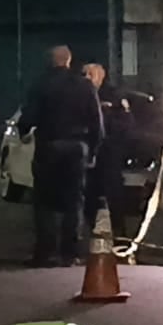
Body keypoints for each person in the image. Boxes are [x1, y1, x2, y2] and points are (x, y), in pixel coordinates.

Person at [18, 46, 103, 267]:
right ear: (69, 60)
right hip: (77, 148)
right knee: (74, 201)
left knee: (44, 201)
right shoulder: (85, 86)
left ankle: (45, 252)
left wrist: (24, 132)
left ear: (50, 61)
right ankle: (70, 253)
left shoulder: (41, 85)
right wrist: (92, 151)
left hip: (49, 146)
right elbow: (97, 124)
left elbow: (28, 116)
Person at [81, 63, 132, 242]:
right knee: (88, 197)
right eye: (84, 73)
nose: (87, 77)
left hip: (109, 153)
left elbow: (126, 124)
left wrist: (107, 119)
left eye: (91, 74)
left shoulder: (114, 96)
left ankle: (120, 237)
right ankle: (92, 235)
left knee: (114, 196)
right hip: (88, 154)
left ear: (101, 77)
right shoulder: (79, 95)